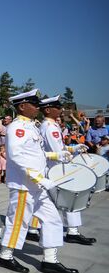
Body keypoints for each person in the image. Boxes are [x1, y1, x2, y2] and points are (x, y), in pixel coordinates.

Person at [0, 89, 80, 273]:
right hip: (25, 185)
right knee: (19, 221)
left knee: (52, 218)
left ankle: (50, 260)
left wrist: (57, 154)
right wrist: (39, 177)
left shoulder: (32, 126)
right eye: (34, 104)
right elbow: (16, 156)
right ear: (23, 106)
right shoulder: (17, 127)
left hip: (37, 185)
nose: (38, 108)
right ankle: (5, 255)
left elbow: (36, 153)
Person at [39, 96, 93, 245]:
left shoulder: (52, 125)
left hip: (56, 166)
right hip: (55, 168)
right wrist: (70, 160)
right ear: (48, 110)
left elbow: (60, 148)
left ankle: (72, 231)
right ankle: (71, 232)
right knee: (68, 198)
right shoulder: (49, 127)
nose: (61, 109)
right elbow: (58, 152)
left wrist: (73, 148)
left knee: (61, 200)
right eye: (57, 107)